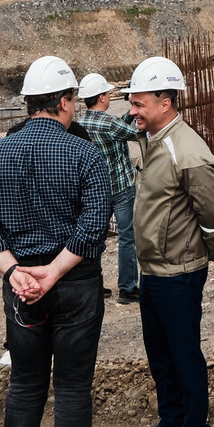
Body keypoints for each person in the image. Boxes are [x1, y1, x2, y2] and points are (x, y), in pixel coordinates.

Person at [0, 56, 118, 427]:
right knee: (72, 389)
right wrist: (53, 271)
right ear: (65, 101)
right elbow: (96, 221)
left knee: (26, 386)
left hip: (22, 291)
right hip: (71, 284)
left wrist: (14, 272)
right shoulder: (83, 153)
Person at [120, 55, 214, 427]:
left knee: (184, 354)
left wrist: (210, 247)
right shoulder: (153, 140)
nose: (132, 110)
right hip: (155, 270)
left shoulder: (188, 150)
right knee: (159, 351)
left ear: (166, 101)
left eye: (139, 102)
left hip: (179, 272)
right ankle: (172, 418)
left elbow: (213, 212)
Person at [73, 71, 142, 306]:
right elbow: (136, 134)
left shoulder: (79, 123)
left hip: (96, 191)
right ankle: (127, 288)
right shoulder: (109, 123)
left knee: (95, 239)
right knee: (127, 238)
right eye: (108, 93)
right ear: (102, 97)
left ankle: (95, 286)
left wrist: (128, 115)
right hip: (121, 188)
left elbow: (119, 126)